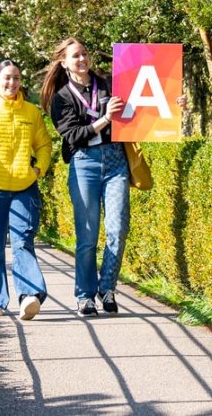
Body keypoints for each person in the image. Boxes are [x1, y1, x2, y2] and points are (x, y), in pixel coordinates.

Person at [40, 38, 130, 318]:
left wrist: (174, 105)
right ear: (64, 63)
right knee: (88, 236)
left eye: (84, 54)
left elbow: (143, 108)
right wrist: (104, 120)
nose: (82, 59)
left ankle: (107, 289)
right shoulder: (62, 98)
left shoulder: (108, 83)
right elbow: (74, 135)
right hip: (85, 164)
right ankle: (85, 295)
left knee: (117, 229)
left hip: (116, 161)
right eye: (75, 56)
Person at [0, 59, 52, 321]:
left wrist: (38, 170)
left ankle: (29, 296)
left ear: (20, 81)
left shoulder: (31, 112)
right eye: (6, 78)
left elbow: (44, 145)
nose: (11, 82)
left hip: (24, 187)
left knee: (23, 242)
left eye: (16, 77)